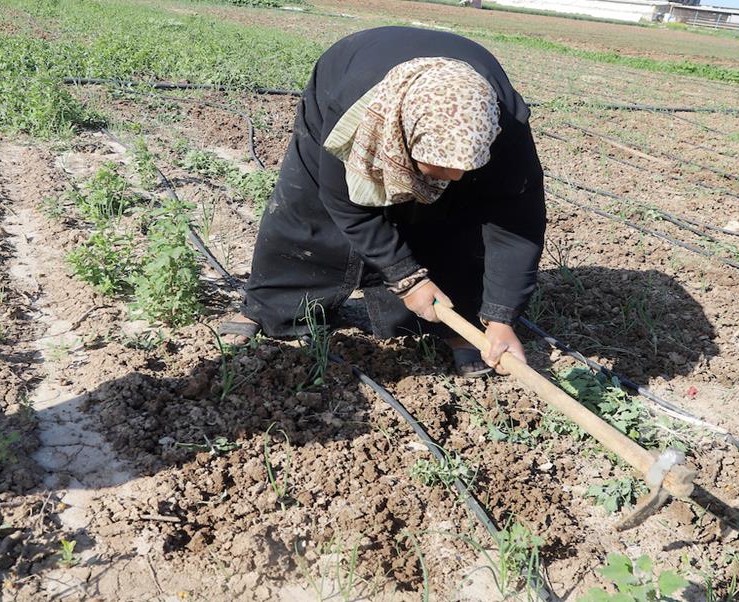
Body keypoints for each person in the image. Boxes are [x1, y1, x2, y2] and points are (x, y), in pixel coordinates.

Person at [218, 26, 546, 376]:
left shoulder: (503, 127)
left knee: (457, 215)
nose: (449, 179)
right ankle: (271, 305)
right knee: (309, 207)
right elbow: (346, 205)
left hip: (457, 103)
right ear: (402, 137)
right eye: (435, 169)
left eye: (463, 169)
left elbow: (517, 223)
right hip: (352, 72)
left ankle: (459, 324)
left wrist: (501, 317)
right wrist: (407, 278)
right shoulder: (354, 111)